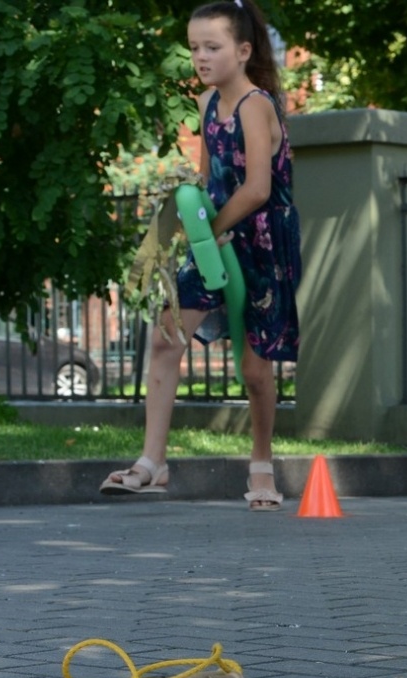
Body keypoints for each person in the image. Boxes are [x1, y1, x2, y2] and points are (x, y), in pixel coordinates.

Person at [102, 0, 301, 511]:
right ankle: (153, 462)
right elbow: (211, 179)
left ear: (242, 50)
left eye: (212, 47)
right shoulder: (208, 105)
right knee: (167, 337)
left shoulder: (258, 105)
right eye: (194, 48)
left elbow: (257, 189)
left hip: (259, 242)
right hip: (214, 237)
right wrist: (188, 222)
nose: (201, 57)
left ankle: (261, 465)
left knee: (256, 370)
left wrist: (210, 229)